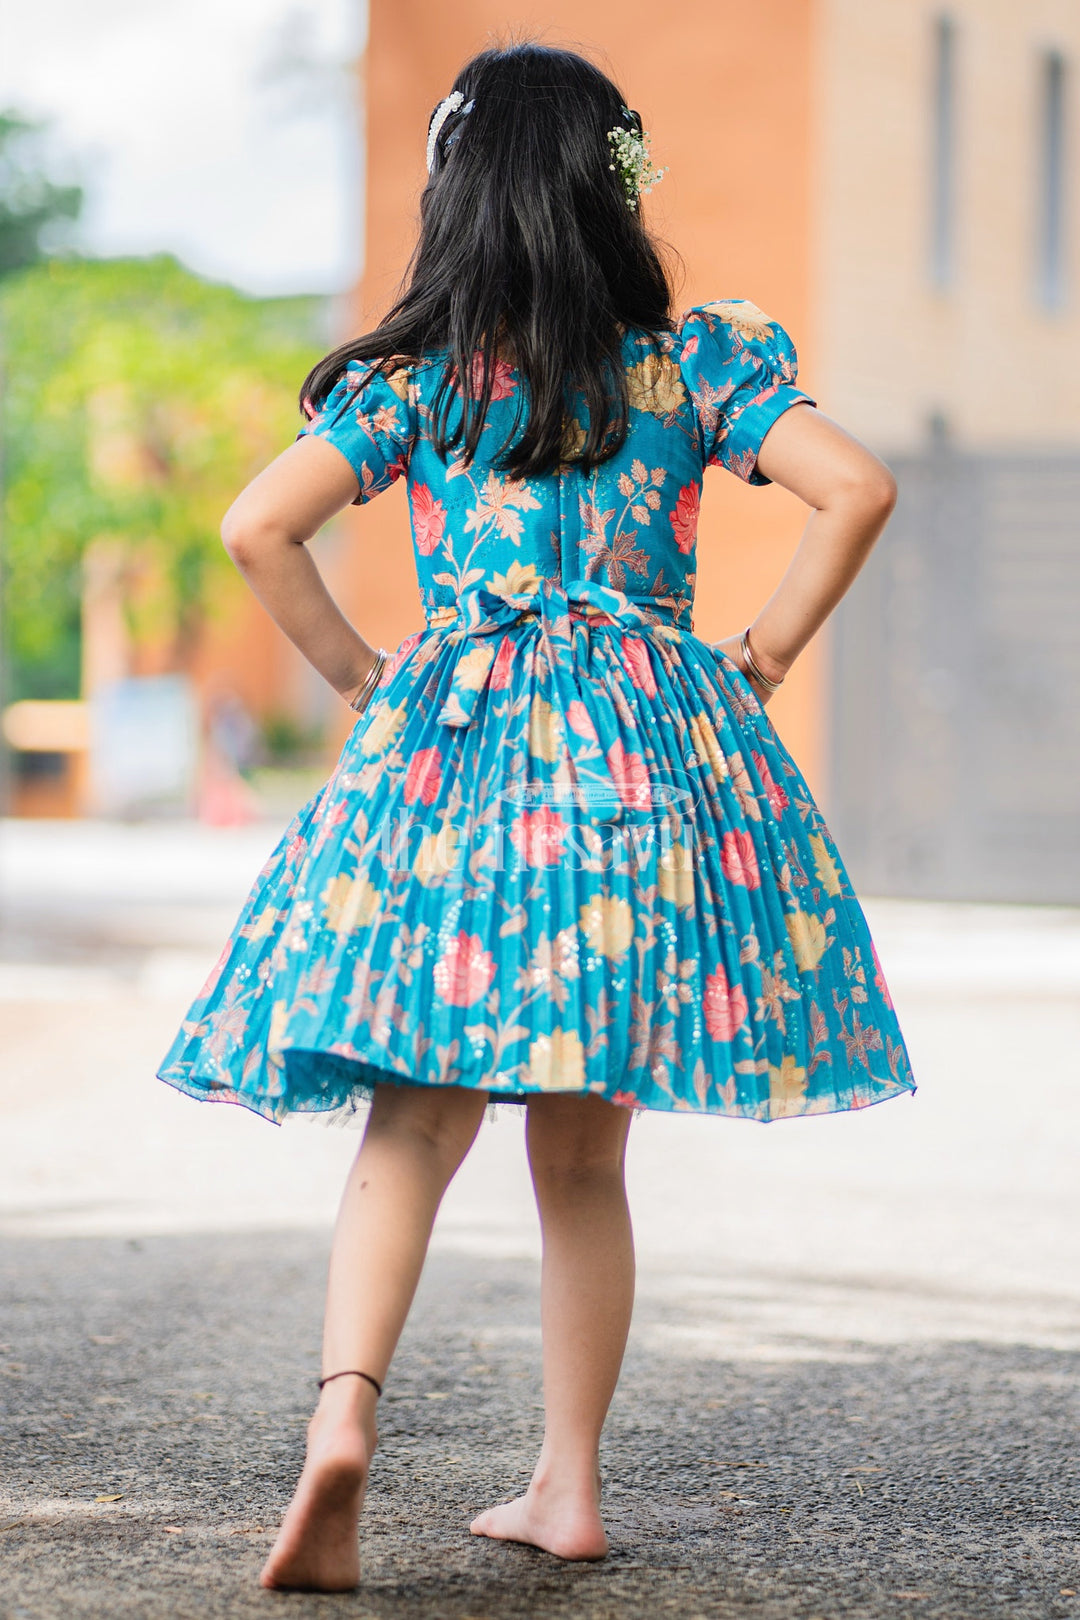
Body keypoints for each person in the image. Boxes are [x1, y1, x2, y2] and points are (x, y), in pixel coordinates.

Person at [158, 40, 916, 1593]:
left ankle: (344, 1425)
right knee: (582, 1162)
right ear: (611, 186)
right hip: (641, 778)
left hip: (459, 769)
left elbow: (258, 524)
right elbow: (857, 489)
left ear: (459, 191)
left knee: (411, 1120)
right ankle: (565, 1487)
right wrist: (759, 656)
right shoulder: (694, 365)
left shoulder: (425, 382)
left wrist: (370, 676)